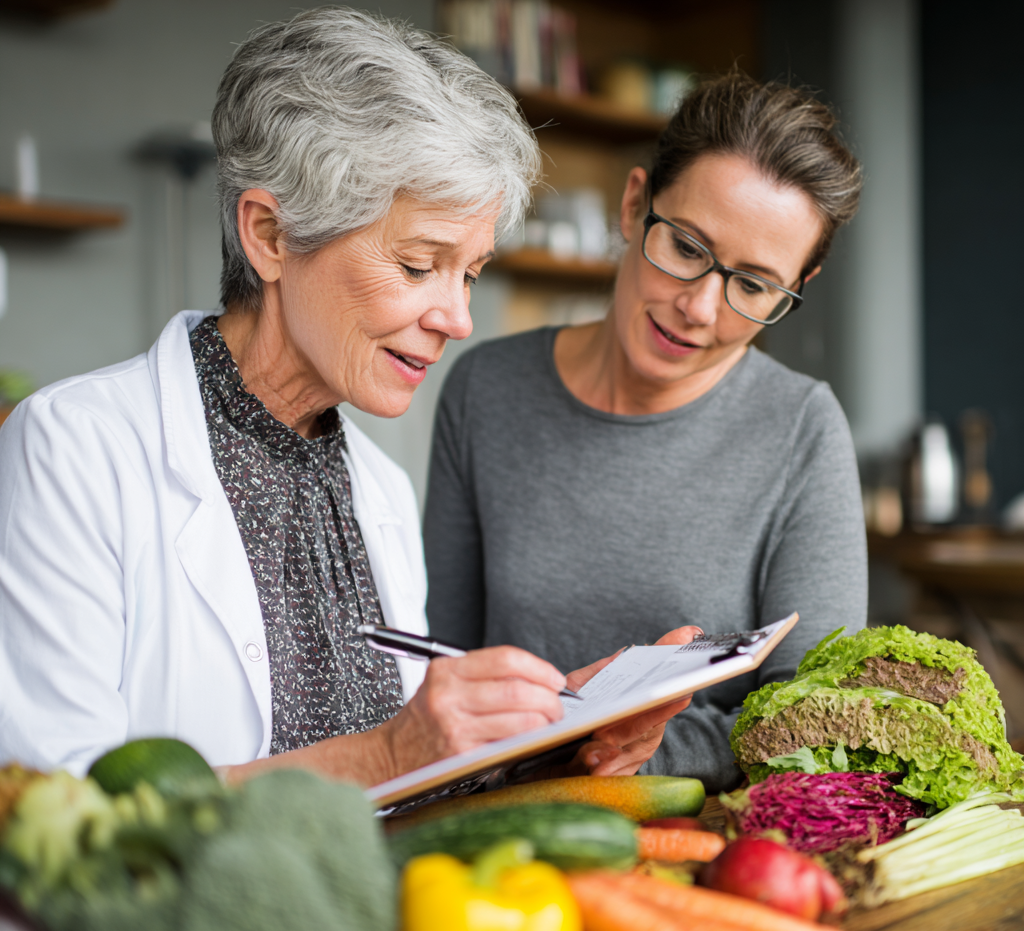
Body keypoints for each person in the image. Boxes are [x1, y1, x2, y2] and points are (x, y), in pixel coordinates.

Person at [0, 8, 697, 785]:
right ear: (270, 236)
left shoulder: (381, 491)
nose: (458, 318)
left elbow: (407, 793)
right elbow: (50, 807)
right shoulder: (72, 448)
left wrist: (550, 741)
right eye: (418, 265)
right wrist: (391, 752)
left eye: (469, 274)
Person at [424, 73, 869, 792]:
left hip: (697, 829)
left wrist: (628, 750)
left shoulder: (802, 429)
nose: (700, 307)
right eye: (688, 248)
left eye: (753, 286)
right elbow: (438, 660)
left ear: (797, 287)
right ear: (634, 207)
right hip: (495, 810)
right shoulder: (486, 389)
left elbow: (812, 715)